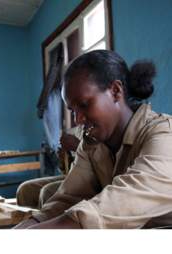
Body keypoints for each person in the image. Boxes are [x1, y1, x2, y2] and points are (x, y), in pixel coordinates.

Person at [16, 49, 172, 230]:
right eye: (73, 110)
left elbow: (119, 204)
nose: (78, 119)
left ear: (115, 91)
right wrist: (28, 225)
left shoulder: (163, 134)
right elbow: (69, 197)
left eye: (84, 105)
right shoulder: (91, 143)